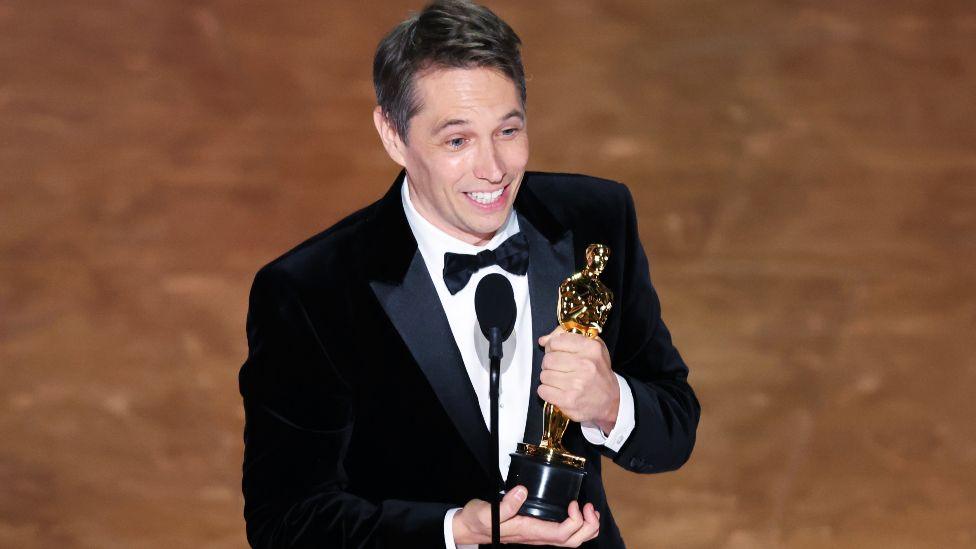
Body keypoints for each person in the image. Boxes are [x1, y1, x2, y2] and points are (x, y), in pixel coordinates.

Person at [238, 1, 700, 547]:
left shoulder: (595, 222)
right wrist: (454, 530)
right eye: (457, 141)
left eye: (508, 130)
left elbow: (674, 425)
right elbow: (287, 521)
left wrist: (613, 404)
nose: (493, 169)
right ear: (392, 135)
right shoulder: (310, 292)